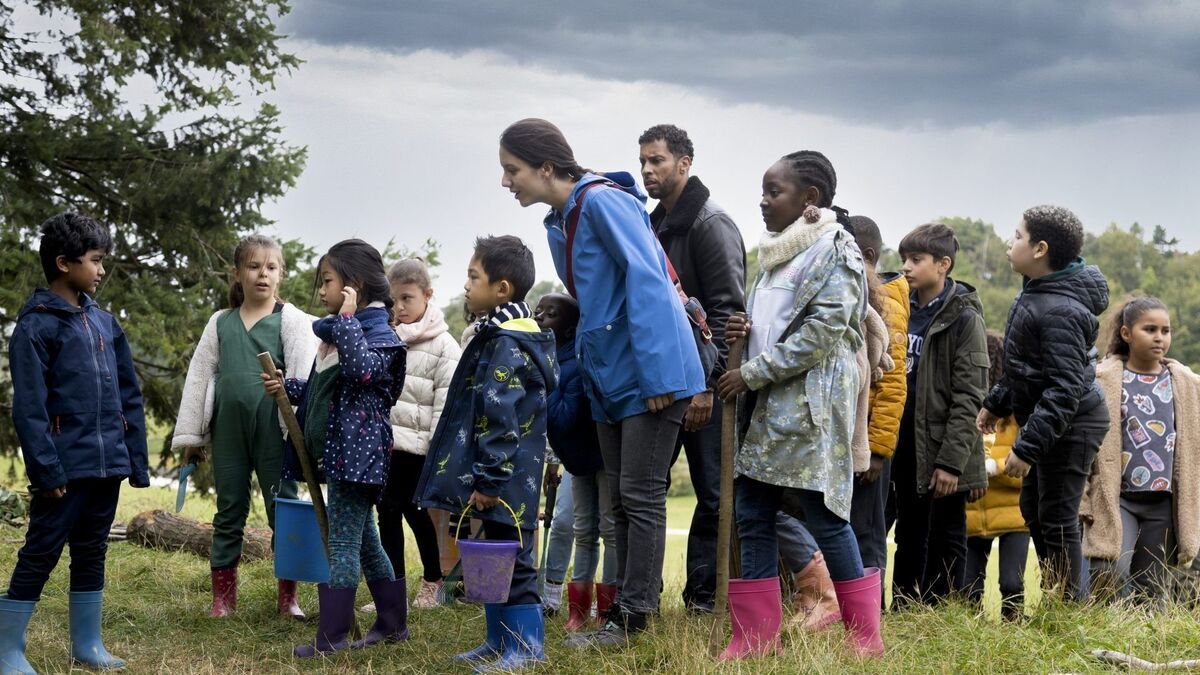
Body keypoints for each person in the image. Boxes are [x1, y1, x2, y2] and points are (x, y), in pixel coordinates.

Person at [499, 118, 705, 647]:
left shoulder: (603, 203)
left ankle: (635, 618)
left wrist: (659, 375)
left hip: (648, 373)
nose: (506, 182)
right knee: (618, 500)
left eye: (512, 170)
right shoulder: (561, 218)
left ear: (546, 167)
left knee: (640, 495)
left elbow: (649, 280)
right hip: (607, 374)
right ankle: (621, 613)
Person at [716, 150, 883, 658]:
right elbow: (775, 320)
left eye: (774, 191)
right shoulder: (777, 252)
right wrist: (743, 331)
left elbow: (822, 332)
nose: (763, 202)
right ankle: (755, 637)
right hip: (765, 408)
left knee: (823, 513)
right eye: (764, 191)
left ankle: (864, 638)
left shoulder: (837, 250)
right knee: (753, 509)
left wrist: (751, 372)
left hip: (807, 407)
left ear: (809, 198)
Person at [2, 213, 150, 672]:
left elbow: (130, 394)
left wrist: (136, 462)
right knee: (41, 550)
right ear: (64, 263)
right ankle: (7, 647)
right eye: (95, 260)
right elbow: (30, 408)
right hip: (63, 471)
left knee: (92, 549)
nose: (102, 270)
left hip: (107, 467)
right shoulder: (35, 327)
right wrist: (47, 469)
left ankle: (87, 644)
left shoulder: (105, 323)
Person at [417, 236, 558, 672]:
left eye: (473, 277)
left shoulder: (506, 344)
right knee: (495, 558)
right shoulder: (498, 335)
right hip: (507, 477)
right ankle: (498, 639)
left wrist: (490, 479)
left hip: (508, 479)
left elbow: (501, 418)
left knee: (514, 563)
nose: (465, 285)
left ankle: (527, 647)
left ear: (502, 289)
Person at [263, 239, 407, 657]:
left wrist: (345, 321)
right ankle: (393, 625)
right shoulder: (340, 335)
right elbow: (328, 391)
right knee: (365, 542)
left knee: (343, 545)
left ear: (354, 286)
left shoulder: (379, 334)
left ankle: (332, 638)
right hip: (342, 454)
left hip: (360, 457)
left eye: (327, 281)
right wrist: (288, 388)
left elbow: (362, 374)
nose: (321, 291)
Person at [172, 233, 318, 619]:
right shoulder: (220, 322)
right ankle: (223, 599)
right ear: (237, 273)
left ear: (281, 275)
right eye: (253, 266)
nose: (262, 275)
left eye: (271, 267)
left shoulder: (291, 321)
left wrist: (293, 402)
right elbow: (200, 377)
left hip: (276, 429)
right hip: (229, 430)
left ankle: (288, 598)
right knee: (229, 508)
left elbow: (305, 374)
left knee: (282, 509)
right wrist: (193, 436)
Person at [639, 124, 747, 613]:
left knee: (714, 494)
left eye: (657, 160)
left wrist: (707, 387)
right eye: (643, 161)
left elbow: (729, 312)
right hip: (664, 385)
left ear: (684, 164)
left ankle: (706, 601)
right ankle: (641, 598)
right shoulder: (651, 222)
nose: (647, 170)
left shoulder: (710, 222)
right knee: (645, 491)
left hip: (707, 387)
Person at [978, 205, 1110, 602]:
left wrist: (1026, 448)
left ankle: (1069, 609)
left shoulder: (1059, 309)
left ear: (1040, 249)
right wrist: (996, 403)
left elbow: (1065, 387)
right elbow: (1025, 368)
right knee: (1034, 508)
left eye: (1017, 235)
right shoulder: (1037, 292)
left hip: (1074, 422)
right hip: (1053, 419)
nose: (1009, 242)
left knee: (1056, 516)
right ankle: (1059, 598)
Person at [891, 223, 989, 607]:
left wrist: (950, 462)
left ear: (943, 264)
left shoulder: (964, 319)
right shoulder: (902, 309)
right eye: (904, 259)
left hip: (944, 448)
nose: (906, 267)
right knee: (908, 535)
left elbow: (969, 397)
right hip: (903, 443)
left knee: (947, 535)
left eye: (916, 260)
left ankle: (945, 616)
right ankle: (903, 610)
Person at [359, 258, 461, 613]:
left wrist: (435, 451)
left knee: (411, 511)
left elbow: (446, 404)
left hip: (418, 449)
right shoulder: (387, 338)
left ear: (428, 295)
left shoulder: (445, 346)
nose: (399, 308)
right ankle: (393, 589)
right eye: (394, 301)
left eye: (407, 299)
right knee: (386, 512)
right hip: (386, 443)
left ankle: (432, 580)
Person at [1081, 296, 1200, 601]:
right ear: (1126, 334)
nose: (1160, 337)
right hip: (1118, 498)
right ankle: (1105, 635)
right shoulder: (1101, 381)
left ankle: (1145, 646)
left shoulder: (1187, 384)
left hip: (1163, 502)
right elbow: (1085, 443)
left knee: (1152, 586)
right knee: (1110, 571)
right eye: (1150, 329)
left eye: (1165, 330)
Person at [535, 292, 618, 630]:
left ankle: (608, 608)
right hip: (578, 460)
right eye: (537, 310)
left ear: (569, 330)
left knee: (609, 531)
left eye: (550, 314)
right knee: (583, 531)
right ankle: (579, 610)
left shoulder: (571, 367)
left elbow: (565, 418)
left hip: (601, 455)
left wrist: (542, 384)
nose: (540, 317)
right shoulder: (552, 362)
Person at [845, 216, 909, 576]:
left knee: (868, 529)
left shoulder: (889, 303)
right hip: (846, 434)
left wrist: (879, 450)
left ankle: (868, 614)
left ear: (867, 255)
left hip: (870, 440)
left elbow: (892, 383)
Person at [964, 331, 1029, 621]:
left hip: (1013, 515)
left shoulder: (1015, 416)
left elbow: (1025, 465)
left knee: (1012, 584)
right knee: (968, 588)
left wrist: (993, 469)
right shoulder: (965, 410)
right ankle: (970, 639)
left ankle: (1013, 632)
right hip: (972, 514)